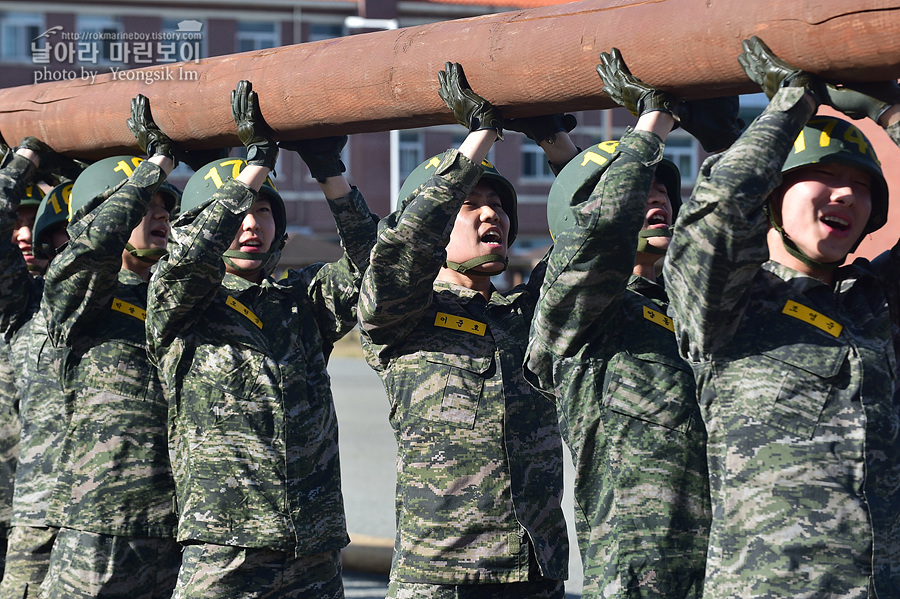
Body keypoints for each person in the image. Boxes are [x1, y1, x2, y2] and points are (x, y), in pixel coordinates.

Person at [664, 36, 900, 598]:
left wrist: (892, 114)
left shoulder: (875, 299)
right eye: (824, 176)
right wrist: (787, 107)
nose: (845, 193)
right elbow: (717, 216)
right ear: (773, 195)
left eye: (863, 187)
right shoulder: (728, 300)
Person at [523, 47, 745, 598]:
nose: (657, 204)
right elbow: (592, 236)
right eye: (641, 193)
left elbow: (763, 237)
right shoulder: (579, 315)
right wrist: (651, 125)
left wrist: (727, 147)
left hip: (729, 561)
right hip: (640, 574)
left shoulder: (691, 303)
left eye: (665, 193)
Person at [145, 80, 378, 599]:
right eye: (242, 212)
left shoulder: (302, 300)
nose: (252, 224)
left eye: (265, 211)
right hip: (224, 550)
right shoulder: (181, 304)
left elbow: (377, 268)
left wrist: (331, 175)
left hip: (311, 546)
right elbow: (188, 259)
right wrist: (256, 167)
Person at [357, 62, 578, 599]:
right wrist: (478, 139)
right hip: (441, 576)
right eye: (469, 205)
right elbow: (401, 250)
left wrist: (555, 142)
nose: (491, 216)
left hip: (534, 570)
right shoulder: (402, 315)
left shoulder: (528, 315)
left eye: (500, 206)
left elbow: (592, 230)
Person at [39, 94, 182, 599]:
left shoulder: (181, 295)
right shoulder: (80, 296)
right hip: (98, 527)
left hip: (176, 526)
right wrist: (152, 168)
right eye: (147, 207)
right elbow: (90, 250)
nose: (160, 217)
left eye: (167, 207)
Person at [0, 180, 73, 599]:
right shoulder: (25, 302)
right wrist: (21, 166)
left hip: (103, 512)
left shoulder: (135, 298)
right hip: (34, 507)